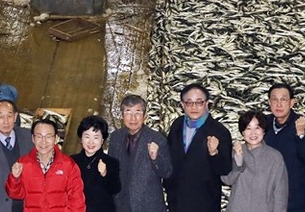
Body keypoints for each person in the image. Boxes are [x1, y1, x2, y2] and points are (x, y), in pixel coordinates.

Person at [165, 83, 234, 212]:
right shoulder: (177, 124)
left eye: (199, 102)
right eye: (189, 103)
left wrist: (214, 153)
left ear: (207, 103)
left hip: (205, 202)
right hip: (177, 200)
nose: (194, 107)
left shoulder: (219, 131)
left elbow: (225, 169)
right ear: (182, 105)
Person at [108, 95, 172, 212]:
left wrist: (155, 158)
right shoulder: (116, 137)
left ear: (145, 116)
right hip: (120, 205)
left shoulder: (157, 139)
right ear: (122, 115)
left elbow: (167, 172)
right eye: (128, 112)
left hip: (147, 206)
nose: (133, 118)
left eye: (138, 112)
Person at [5, 119, 85, 210]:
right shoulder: (23, 163)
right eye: (39, 136)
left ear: (56, 138)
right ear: (33, 138)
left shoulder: (68, 165)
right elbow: (15, 194)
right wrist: (14, 178)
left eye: (48, 136)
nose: (43, 142)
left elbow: (77, 202)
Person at [221, 110, 288, 212]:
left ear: (263, 130)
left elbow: (280, 193)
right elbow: (227, 180)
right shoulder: (236, 151)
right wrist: (238, 159)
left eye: (257, 128)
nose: (253, 133)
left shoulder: (275, 157)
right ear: (242, 132)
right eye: (248, 128)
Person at [263, 84, 305, 212]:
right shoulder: (262, 124)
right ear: (269, 102)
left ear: (292, 103)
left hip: (294, 200)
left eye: (283, 99)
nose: (279, 104)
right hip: (265, 198)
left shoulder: (304, 125)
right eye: (275, 99)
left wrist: (301, 135)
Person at [71, 116, 121, 212]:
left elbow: (115, 189)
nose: (91, 142)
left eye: (96, 137)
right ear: (81, 139)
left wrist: (105, 174)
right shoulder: (72, 161)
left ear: (102, 140)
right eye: (87, 136)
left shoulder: (111, 162)